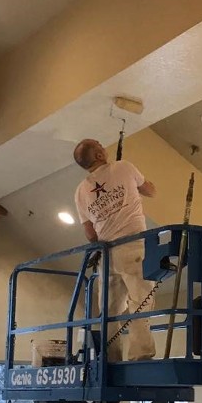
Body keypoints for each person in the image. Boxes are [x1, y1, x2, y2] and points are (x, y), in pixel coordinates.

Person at [73, 139, 157, 362]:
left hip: (107, 253)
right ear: (99, 155)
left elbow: (90, 234)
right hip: (133, 246)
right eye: (101, 147)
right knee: (141, 300)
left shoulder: (81, 191)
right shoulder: (123, 167)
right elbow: (150, 190)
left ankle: (110, 358)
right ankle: (141, 355)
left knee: (109, 310)